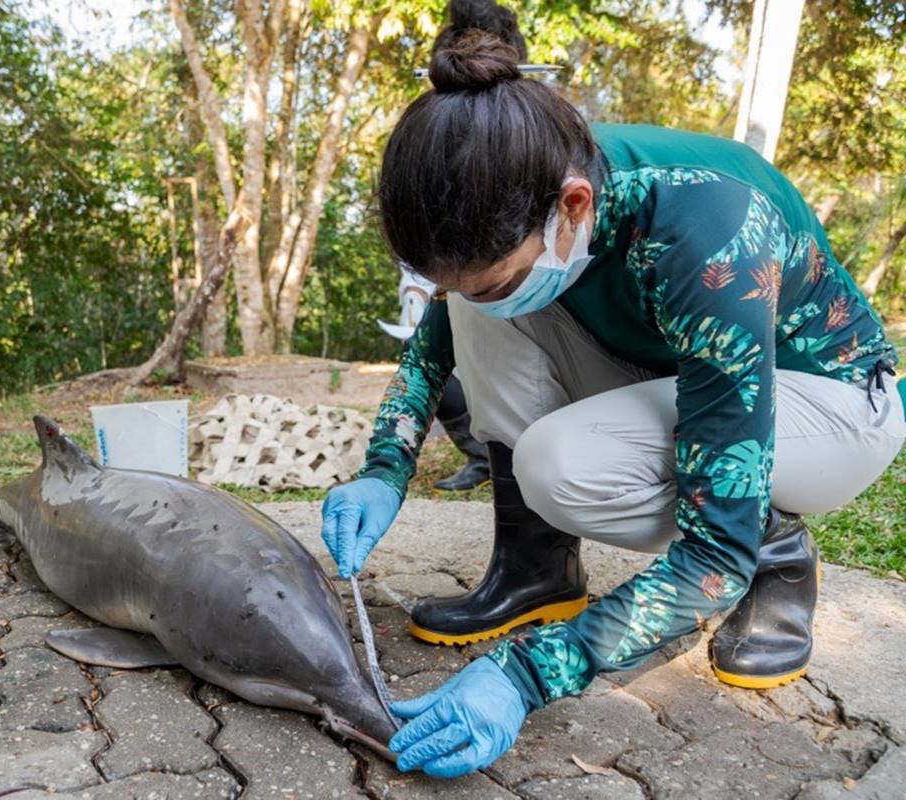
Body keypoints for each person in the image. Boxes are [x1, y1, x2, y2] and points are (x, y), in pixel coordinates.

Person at [319, 0, 904, 779]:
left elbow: (708, 555)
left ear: (575, 207)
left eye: (497, 278)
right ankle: (537, 568)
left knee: (565, 465)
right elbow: (442, 331)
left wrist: (527, 675)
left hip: (825, 402)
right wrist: (383, 469)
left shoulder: (709, 234)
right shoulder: (528, 189)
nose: (475, 296)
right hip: (675, 366)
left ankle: (777, 544)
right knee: (476, 308)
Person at [378, 264, 490, 491]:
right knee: (428, 371)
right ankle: (482, 460)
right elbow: (415, 270)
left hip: (473, 291)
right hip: (426, 301)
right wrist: (414, 302)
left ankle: (507, 457)